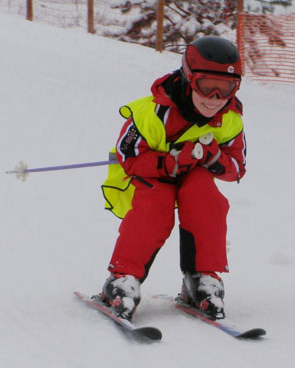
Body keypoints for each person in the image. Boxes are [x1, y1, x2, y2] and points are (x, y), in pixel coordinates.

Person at [99, 36, 246, 321]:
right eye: (206, 86)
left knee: (206, 196)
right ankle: (122, 279)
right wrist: (172, 161)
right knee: (156, 202)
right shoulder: (151, 112)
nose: (214, 98)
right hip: (145, 178)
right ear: (189, 78)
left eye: (226, 88)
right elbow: (128, 159)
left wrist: (214, 157)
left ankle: (201, 279)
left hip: (191, 180)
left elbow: (236, 169)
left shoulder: (229, 118)